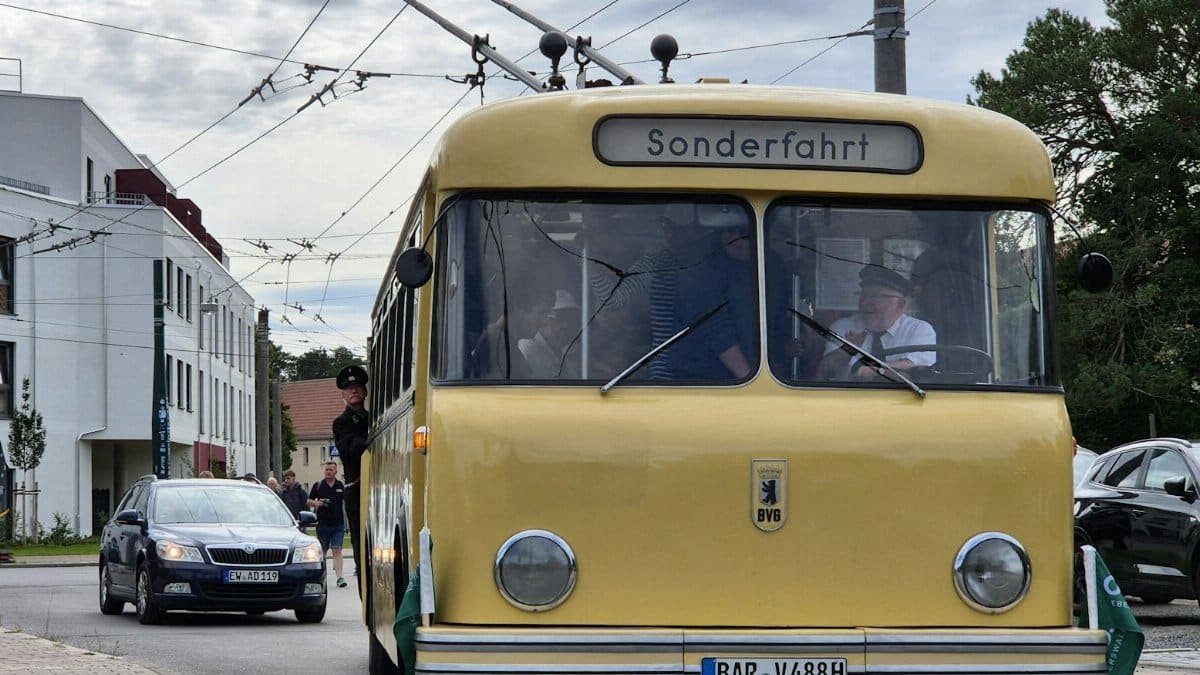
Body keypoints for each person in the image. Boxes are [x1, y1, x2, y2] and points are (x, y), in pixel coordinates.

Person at [820, 265, 936, 379]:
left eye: (875, 297)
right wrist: (847, 351)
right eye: (863, 295)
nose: (865, 302)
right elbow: (828, 368)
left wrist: (873, 370)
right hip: (850, 396)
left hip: (902, 396)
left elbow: (917, 366)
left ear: (900, 305)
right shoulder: (844, 326)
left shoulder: (918, 329)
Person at [332, 363, 369, 589]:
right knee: (361, 544)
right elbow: (351, 446)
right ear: (343, 395)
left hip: (381, 484)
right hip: (357, 489)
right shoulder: (342, 423)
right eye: (349, 388)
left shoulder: (376, 416)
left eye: (358, 387)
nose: (354, 391)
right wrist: (375, 441)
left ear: (365, 391)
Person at [517, 290, 583, 378]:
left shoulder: (569, 356)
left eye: (571, 320)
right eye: (559, 318)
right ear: (544, 317)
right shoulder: (528, 347)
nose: (565, 325)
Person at [308, 461, 348, 588]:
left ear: (336, 471)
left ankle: (340, 577)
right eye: (326, 470)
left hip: (338, 524)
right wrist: (317, 504)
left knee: (337, 550)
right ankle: (321, 577)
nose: (328, 472)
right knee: (323, 552)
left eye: (331, 470)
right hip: (323, 524)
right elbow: (308, 501)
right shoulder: (318, 485)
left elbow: (346, 503)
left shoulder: (340, 486)